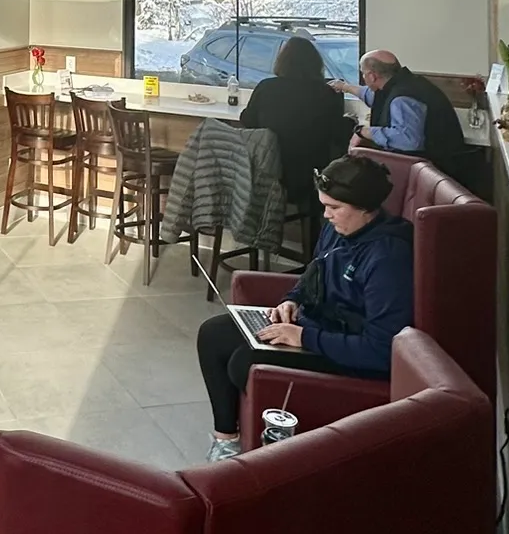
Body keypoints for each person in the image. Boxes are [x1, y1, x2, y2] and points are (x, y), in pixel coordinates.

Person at [196, 153, 414, 461]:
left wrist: (302, 338)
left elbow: (383, 350)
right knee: (214, 334)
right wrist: (293, 300)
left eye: (335, 208)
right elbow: (315, 271)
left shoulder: (388, 258)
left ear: (367, 209)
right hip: (316, 327)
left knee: (242, 360)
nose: (326, 215)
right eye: (324, 205)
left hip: (348, 354)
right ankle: (226, 441)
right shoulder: (339, 228)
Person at [331, 48, 489, 193]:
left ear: (372, 76)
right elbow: (376, 97)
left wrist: (363, 131)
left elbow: (408, 140)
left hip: (438, 170)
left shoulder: (402, 98)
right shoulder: (405, 83)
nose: (364, 78)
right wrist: (344, 87)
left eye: (363, 73)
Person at [240, 35, 355, 227]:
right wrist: (350, 123)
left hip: (265, 174)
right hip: (307, 177)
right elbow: (335, 133)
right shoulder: (327, 92)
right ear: (315, 63)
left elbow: (248, 121)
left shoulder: (266, 87)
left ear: (281, 62)